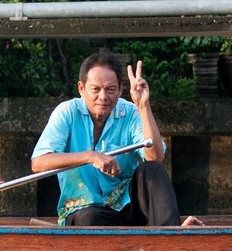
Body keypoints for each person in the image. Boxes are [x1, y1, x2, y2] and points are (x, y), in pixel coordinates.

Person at [31, 50, 203, 227]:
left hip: (128, 208)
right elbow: (38, 163)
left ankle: (172, 234)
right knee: (89, 219)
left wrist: (144, 106)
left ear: (121, 89)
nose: (103, 97)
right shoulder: (67, 112)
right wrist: (90, 156)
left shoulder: (130, 112)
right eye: (95, 89)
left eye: (111, 89)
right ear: (81, 89)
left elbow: (155, 157)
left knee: (152, 170)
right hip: (85, 211)